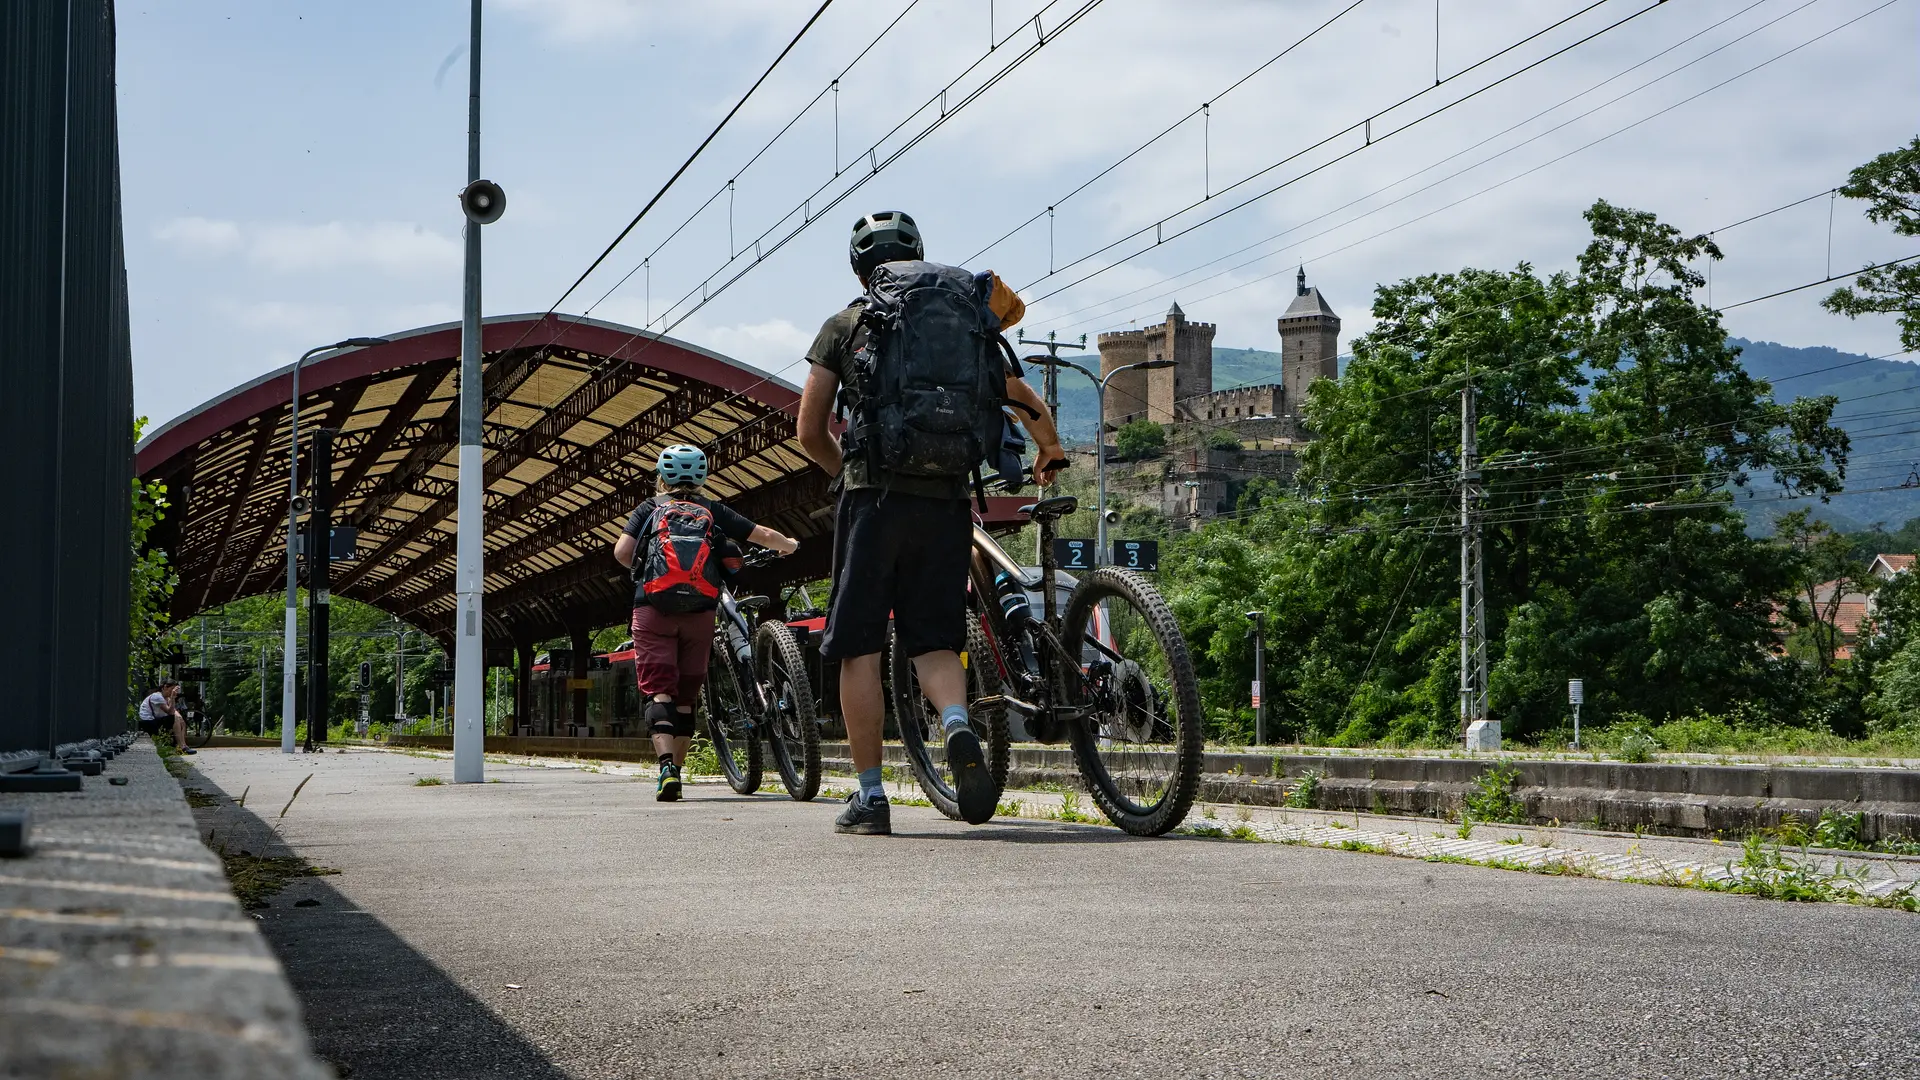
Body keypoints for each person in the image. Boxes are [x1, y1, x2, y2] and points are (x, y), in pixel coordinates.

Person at [796, 210, 1065, 836]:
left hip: (873, 500)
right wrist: (1049, 448)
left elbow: (809, 431)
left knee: (857, 648)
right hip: (947, 501)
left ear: (862, 268)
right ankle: (957, 725)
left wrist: (847, 471)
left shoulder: (847, 324)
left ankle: (870, 798)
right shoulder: (962, 321)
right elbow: (1022, 396)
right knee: (936, 642)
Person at [613, 444, 798, 801]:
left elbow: (622, 553)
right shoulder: (711, 510)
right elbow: (760, 533)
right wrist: (788, 544)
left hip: (652, 608)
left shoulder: (648, 509)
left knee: (659, 690)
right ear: (702, 477)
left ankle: (667, 771)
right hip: (700, 611)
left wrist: (645, 570)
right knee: (685, 695)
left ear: (660, 477)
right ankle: (679, 770)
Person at [138, 681, 193, 755]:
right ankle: (181, 746)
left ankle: (183, 745)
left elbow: (174, 711)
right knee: (175, 718)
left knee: (182, 722)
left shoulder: (166, 698)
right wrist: (173, 697)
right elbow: (170, 711)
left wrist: (180, 717)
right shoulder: (157, 697)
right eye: (172, 689)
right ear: (165, 687)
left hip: (155, 721)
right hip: (148, 722)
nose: (173, 692)